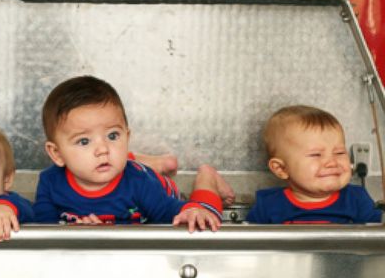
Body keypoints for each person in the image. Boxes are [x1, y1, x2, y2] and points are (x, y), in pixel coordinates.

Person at [34, 75, 228, 231]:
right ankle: (157, 163)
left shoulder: (139, 183)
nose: (102, 149)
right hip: (127, 168)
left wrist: (192, 210)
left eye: (113, 136)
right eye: (84, 141)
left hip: (162, 191)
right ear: (57, 154)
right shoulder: (51, 182)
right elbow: (43, 228)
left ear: (127, 137)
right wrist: (79, 233)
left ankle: (207, 178)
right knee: (113, 159)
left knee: (204, 220)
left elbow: (170, 211)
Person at [248, 105, 382, 224]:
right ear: (281, 168)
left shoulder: (356, 199)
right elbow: (249, 247)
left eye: (340, 153)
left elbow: (376, 242)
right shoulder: (267, 205)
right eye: (316, 154)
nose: (332, 162)